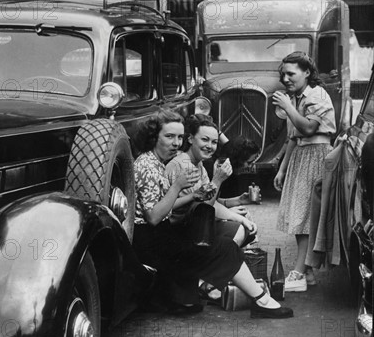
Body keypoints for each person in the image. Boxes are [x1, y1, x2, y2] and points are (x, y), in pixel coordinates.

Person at [133, 108, 293, 318]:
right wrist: (183, 186)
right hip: (152, 241)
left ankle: (251, 297)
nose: (176, 143)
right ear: (155, 136)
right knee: (223, 247)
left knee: (224, 245)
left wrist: (196, 195)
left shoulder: (158, 162)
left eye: (179, 137)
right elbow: (154, 217)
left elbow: (178, 205)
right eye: (169, 136)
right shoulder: (148, 165)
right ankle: (260, 299)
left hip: (162, 236)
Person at [272, 51, 336, 292]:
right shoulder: (297, 97)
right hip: (301, 156)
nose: (286, 78)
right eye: (283, 74)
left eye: (291, 73)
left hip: (316, 155)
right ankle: (306, 272)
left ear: (307, 72)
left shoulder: (316, 94)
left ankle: (299, 272)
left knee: (306, 217)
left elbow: (309, 128)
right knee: (299, 216)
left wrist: (288, 106)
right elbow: (293, 137)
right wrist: (282, 169)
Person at [165, 114, 257, 248]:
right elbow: (204, 208)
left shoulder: (199, 164)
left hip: (191, 225)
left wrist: (235, 208)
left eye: (214, 142)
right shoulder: (183, 165)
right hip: (178, 230)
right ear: (190, 139)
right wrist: (217, 181)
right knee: (239, 230)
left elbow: (207, 201)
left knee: (243, 225)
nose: (210, 146)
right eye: (205, 140)